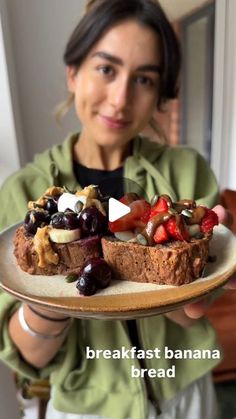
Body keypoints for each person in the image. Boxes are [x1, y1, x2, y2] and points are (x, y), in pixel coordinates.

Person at [0, 1, 234, 418]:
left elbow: (190, 314)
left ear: (159, 93)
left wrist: (198, 272)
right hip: (87, 405)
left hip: (185, 392)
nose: (121, 98)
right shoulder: (25, 192)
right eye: (106, 69)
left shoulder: (186, 171)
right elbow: (27, 356)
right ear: (73, 72)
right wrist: (46, 301)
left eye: (144, 78)